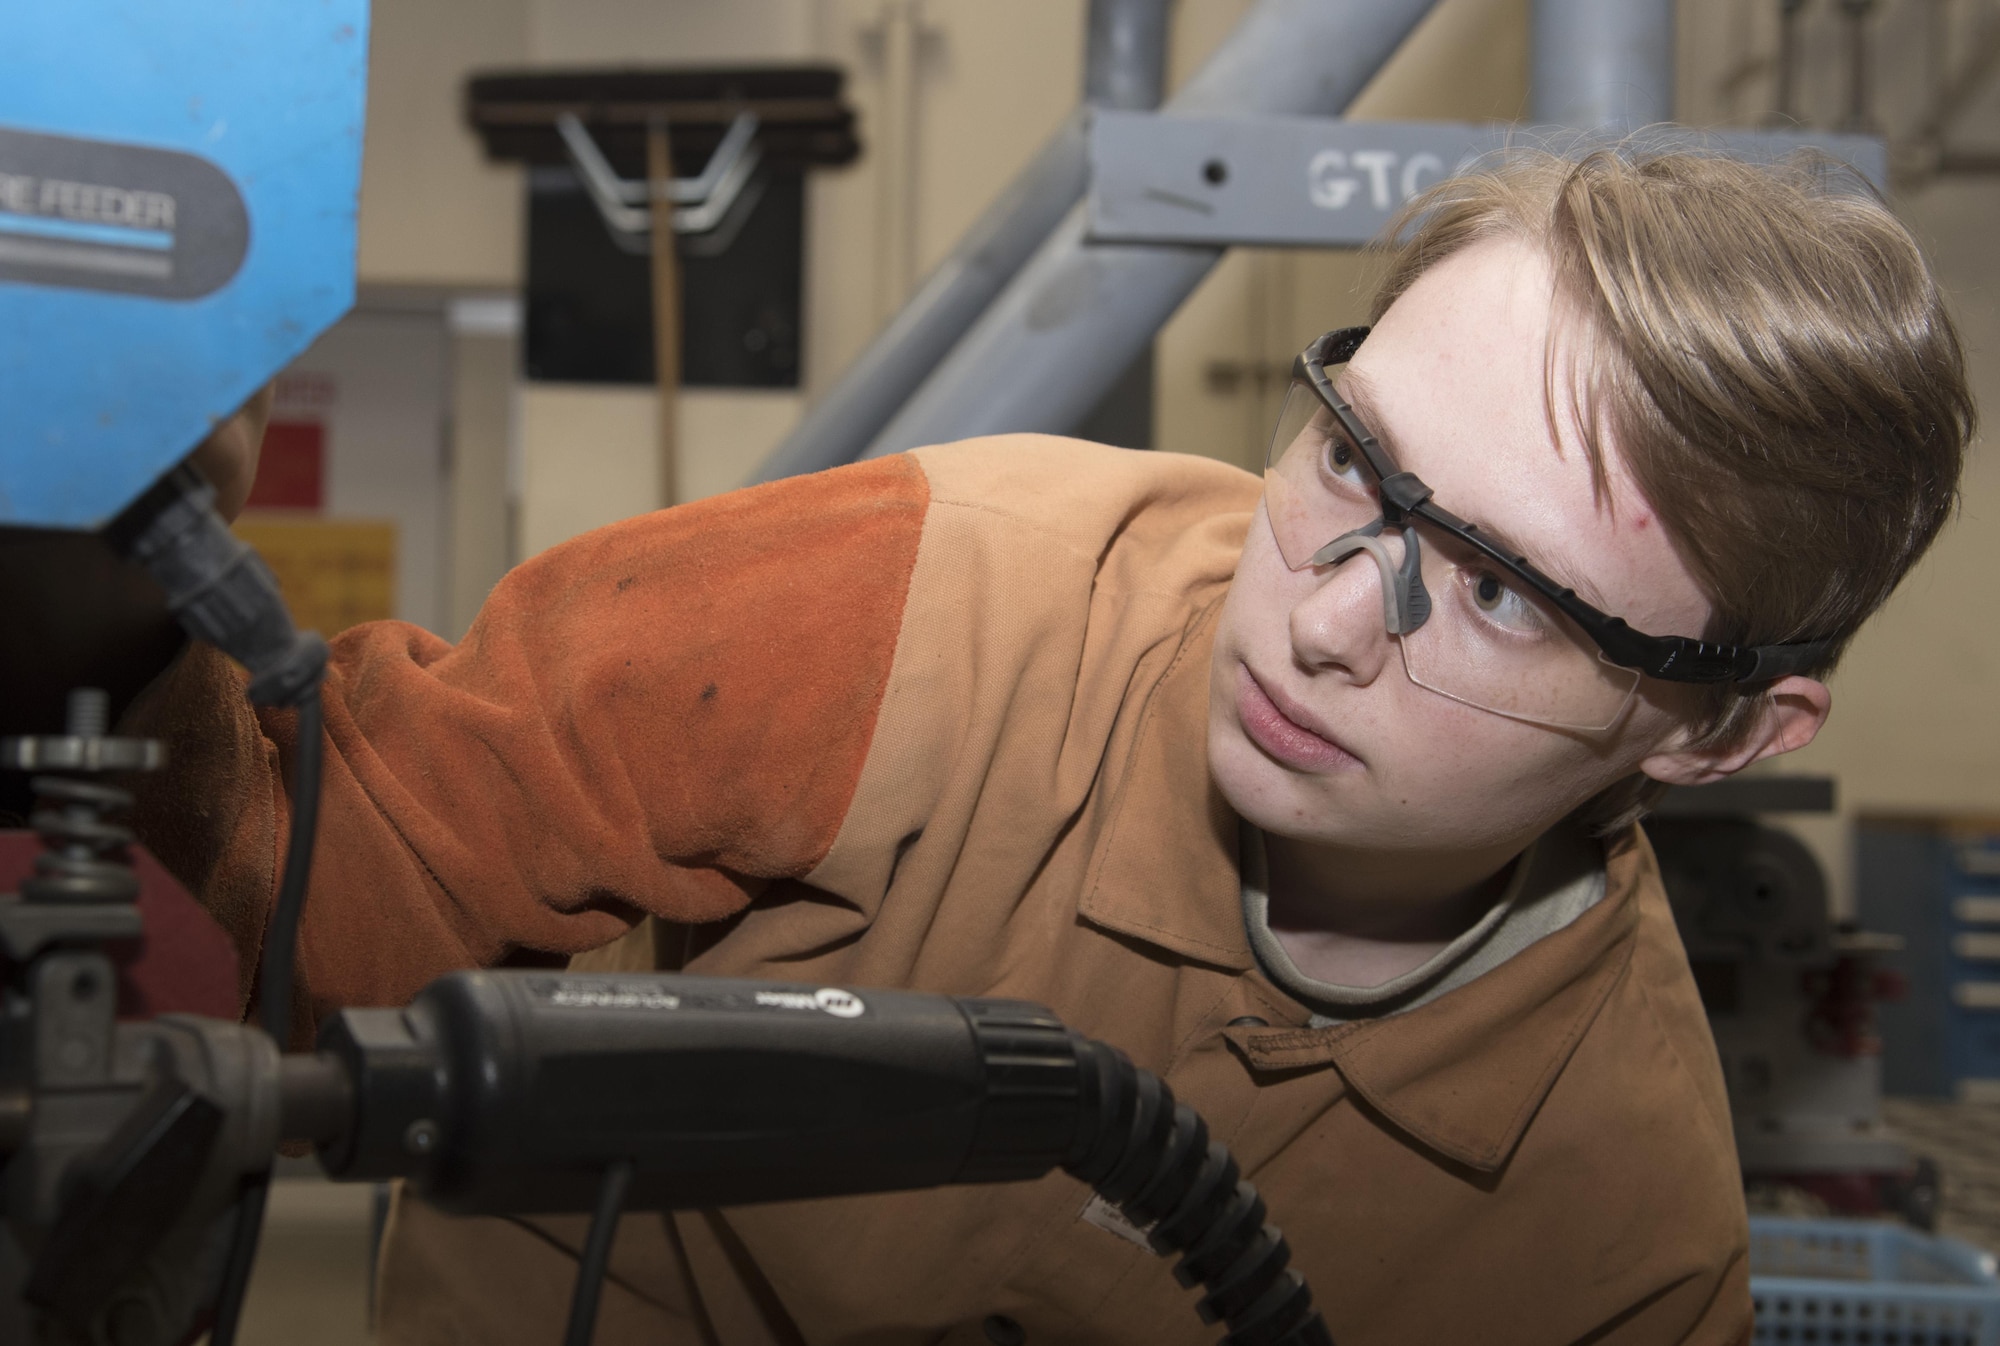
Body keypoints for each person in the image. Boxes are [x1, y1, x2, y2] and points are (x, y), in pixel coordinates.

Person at [103, 148, 1969, 1343]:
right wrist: (98, 558)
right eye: (1352, 458)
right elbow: (323, 883)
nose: (1320, 609)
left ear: (1726, 727)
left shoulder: (1616, 1233)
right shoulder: (912, 596)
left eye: (1493, 593)